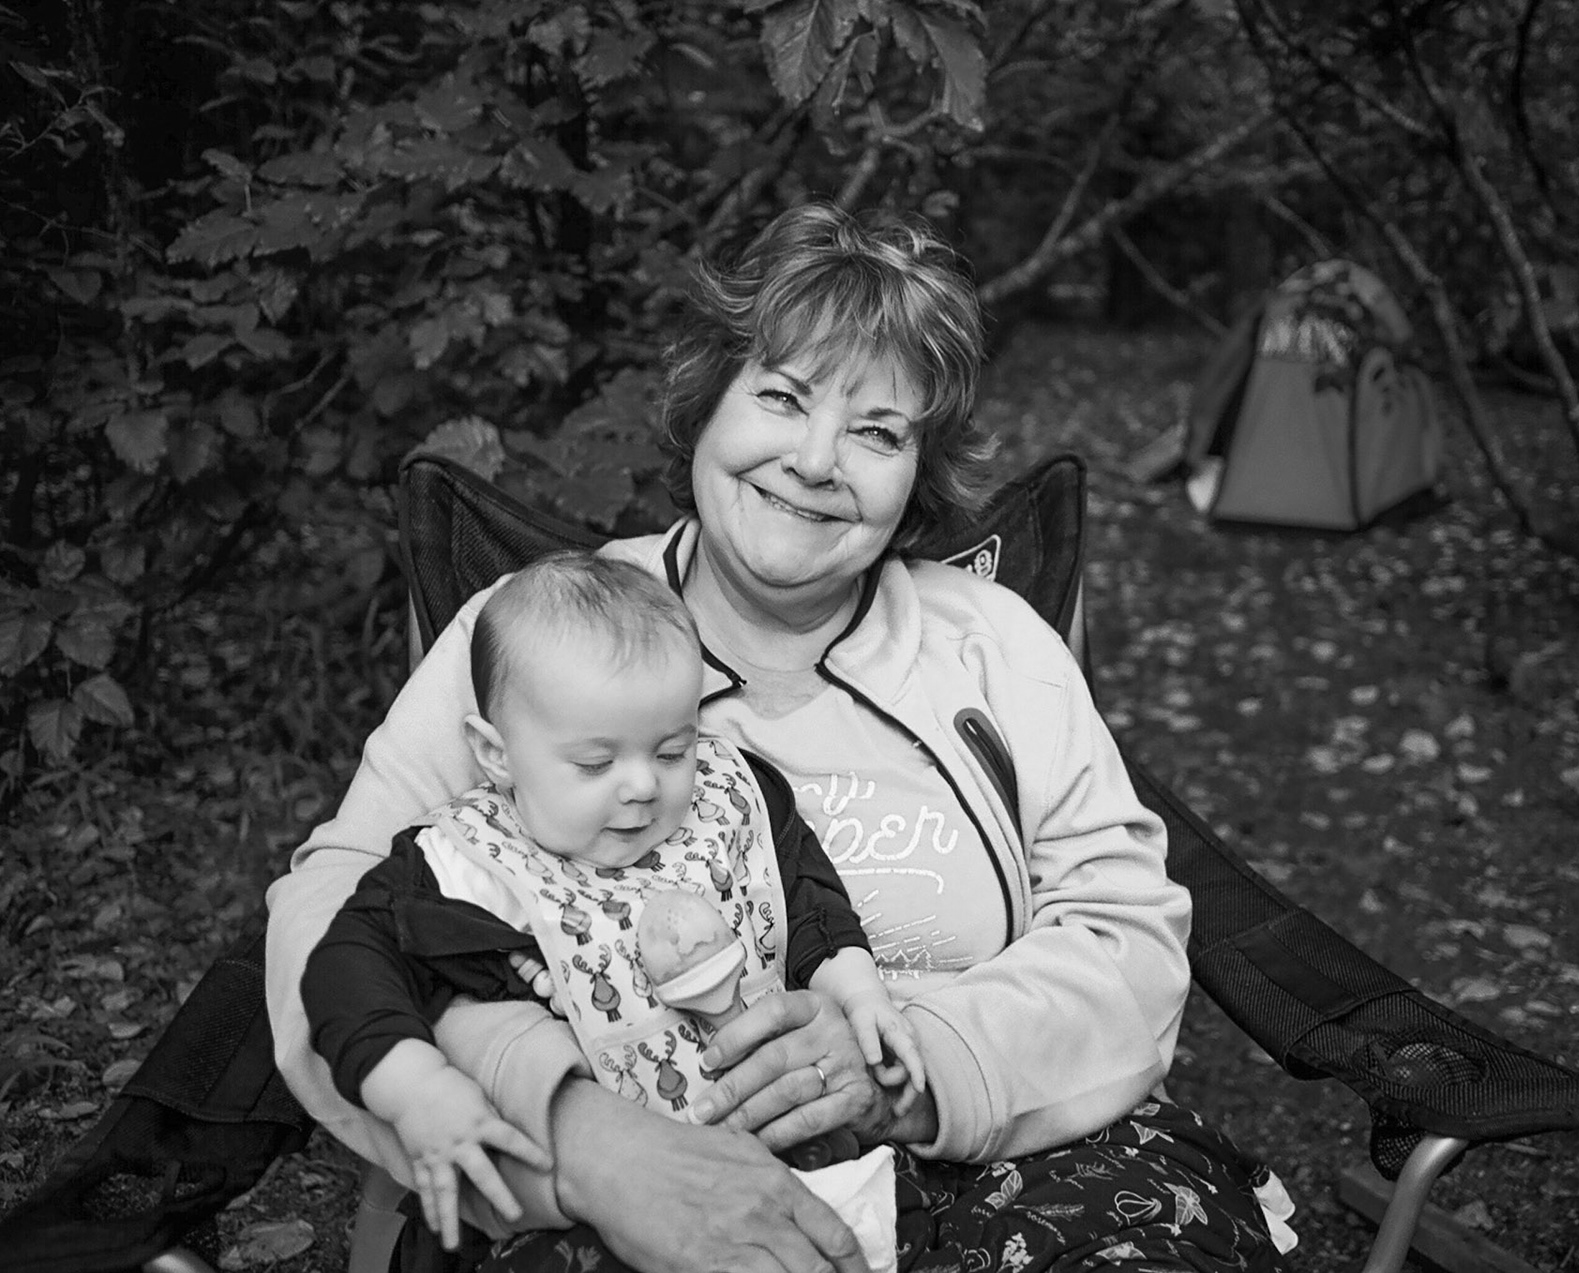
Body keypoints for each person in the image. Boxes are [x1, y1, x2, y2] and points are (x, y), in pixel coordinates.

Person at [264, 201, 1298, 1273]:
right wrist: (586, 1147)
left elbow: (1128, 939)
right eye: (782, 397)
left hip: (1008, 1161)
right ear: (707, 403)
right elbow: (332, 911)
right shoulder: (538, 642)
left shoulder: (992, 642)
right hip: (641, 1171)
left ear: (918, 472)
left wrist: (909, 1068)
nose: (814, 460)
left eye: (877, 431)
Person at [297, 551, 922, 1249]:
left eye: (672, 750)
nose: (643, 786)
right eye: (596, 763)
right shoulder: (463, 866)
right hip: (584, 1203)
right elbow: (346, 964)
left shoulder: (725, 801)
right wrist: (415, 1087)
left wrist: (855, 984)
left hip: (790, 1151)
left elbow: (803, 893)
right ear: (496, 754)